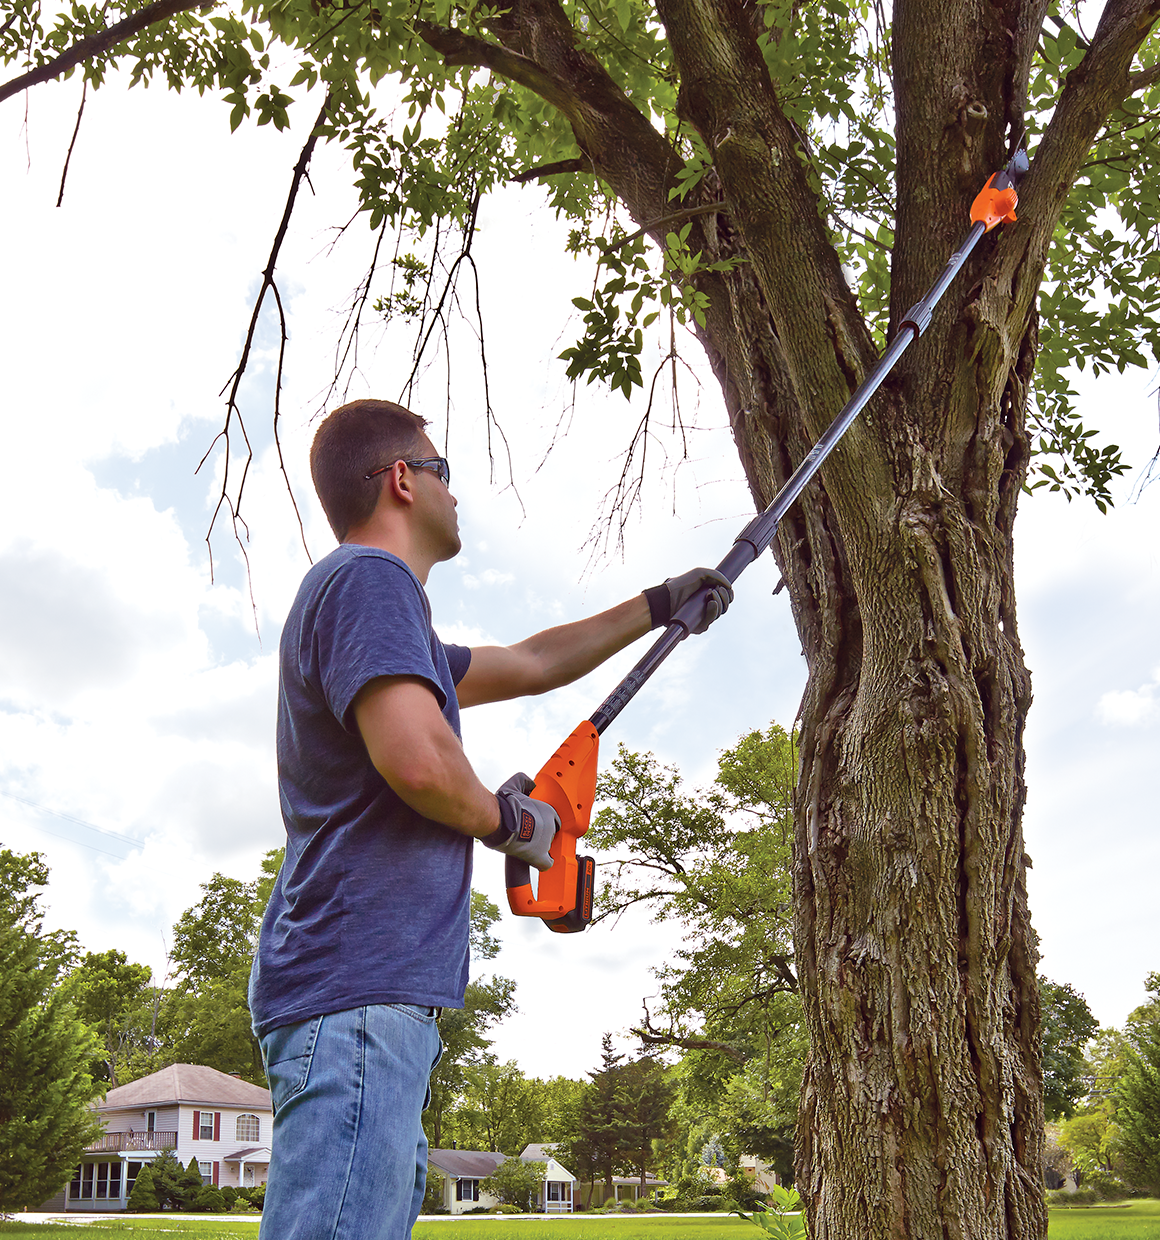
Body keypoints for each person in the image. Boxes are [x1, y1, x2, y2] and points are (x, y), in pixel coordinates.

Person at [249, 398, 732, 1240]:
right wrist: (514, 823)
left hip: (366, 993)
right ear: (403, 480)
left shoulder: (391, 619)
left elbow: (534, 662)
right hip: (357, 991)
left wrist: (659, 605)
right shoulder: (368, 582)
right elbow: (420, 762)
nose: (455, 492)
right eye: (444, 470)